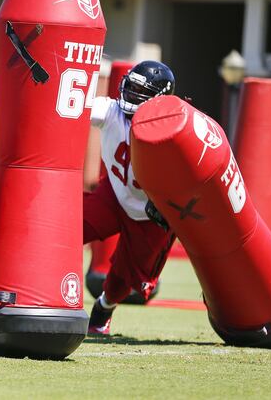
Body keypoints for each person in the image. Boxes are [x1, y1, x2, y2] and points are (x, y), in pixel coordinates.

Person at [85, 60, 176, 336]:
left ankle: (103, 309)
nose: (132, 94)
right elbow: (75, 106)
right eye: (131, 86)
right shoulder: (111, 110)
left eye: (141, 91)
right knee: (68, 226)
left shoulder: (175, 128)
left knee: (121, 280)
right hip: (114, 193)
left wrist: (170, 205)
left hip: (152, 213)